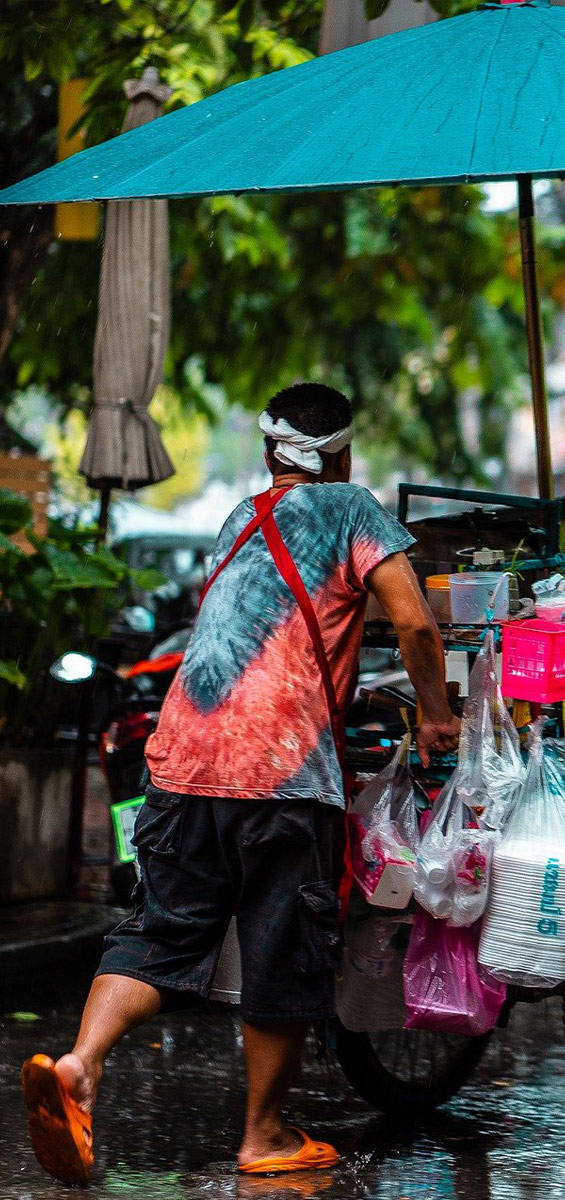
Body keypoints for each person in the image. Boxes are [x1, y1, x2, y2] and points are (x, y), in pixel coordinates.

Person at [21, 382, 460, 1184]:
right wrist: (436, 715)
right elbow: (416, 622)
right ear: (345, 455)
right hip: (280, 773)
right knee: (282, 951)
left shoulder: (239, 518)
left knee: (159, 932)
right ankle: (263, 1136)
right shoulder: (354, 510)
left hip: (181, 758)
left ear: (267, 455)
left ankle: (81, 1063)